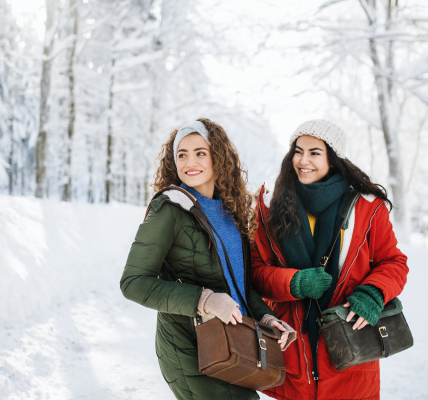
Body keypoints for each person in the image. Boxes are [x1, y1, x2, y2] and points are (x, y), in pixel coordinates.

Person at [120, 118, 296, 400]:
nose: (190, 162)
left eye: (200, 153)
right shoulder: (169, 208)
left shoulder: (232, 213)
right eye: (182, 154)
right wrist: (205, 300)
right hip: (191, 349)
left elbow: (238, 283)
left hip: (234, 344)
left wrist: (266, 317)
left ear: (219, 157)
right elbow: (133, 283)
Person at [251, 119, 409, 400]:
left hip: (351, 353)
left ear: (334, 159)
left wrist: (373, 293)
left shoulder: (367, 206)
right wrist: (294, 282)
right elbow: (256, 272)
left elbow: (393, 262)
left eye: (315, 153)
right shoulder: (268, 208)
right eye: (298, 151)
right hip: (291, 352)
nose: (303, 160)